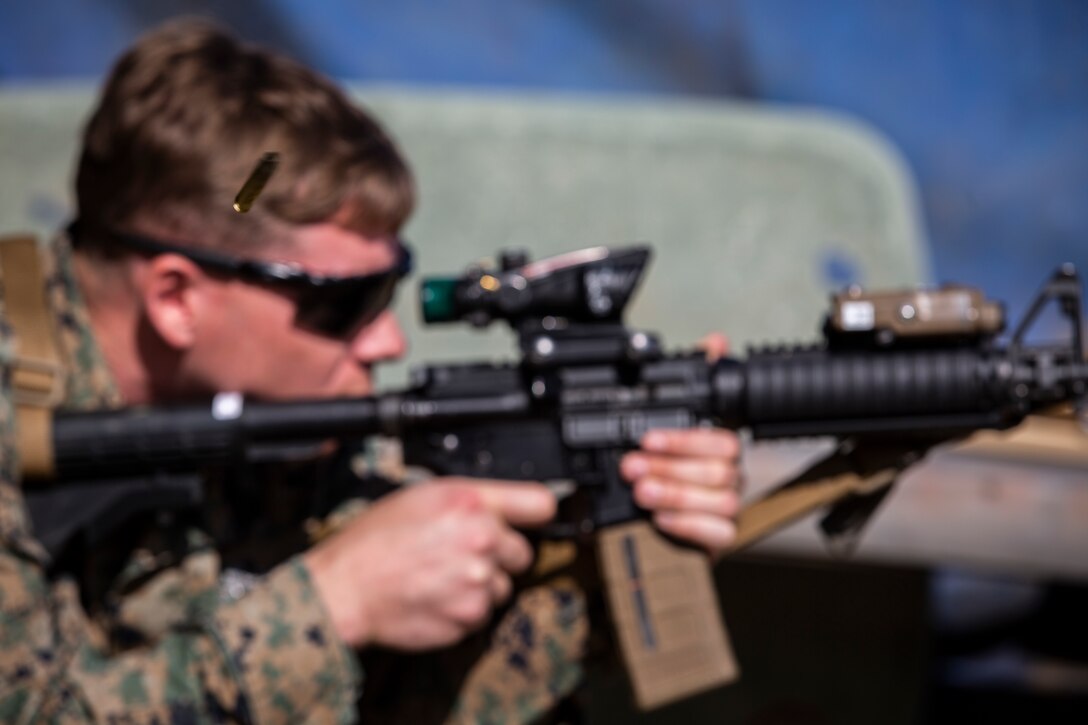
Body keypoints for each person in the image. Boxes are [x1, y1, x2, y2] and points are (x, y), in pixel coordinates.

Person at [0, 18, 743, 722]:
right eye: (347, 302)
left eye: (389, 291)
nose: (387, 340)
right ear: (176, 297)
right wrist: (332, 604)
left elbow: (415, 696)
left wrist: (618, 529)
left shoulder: (297, 408)